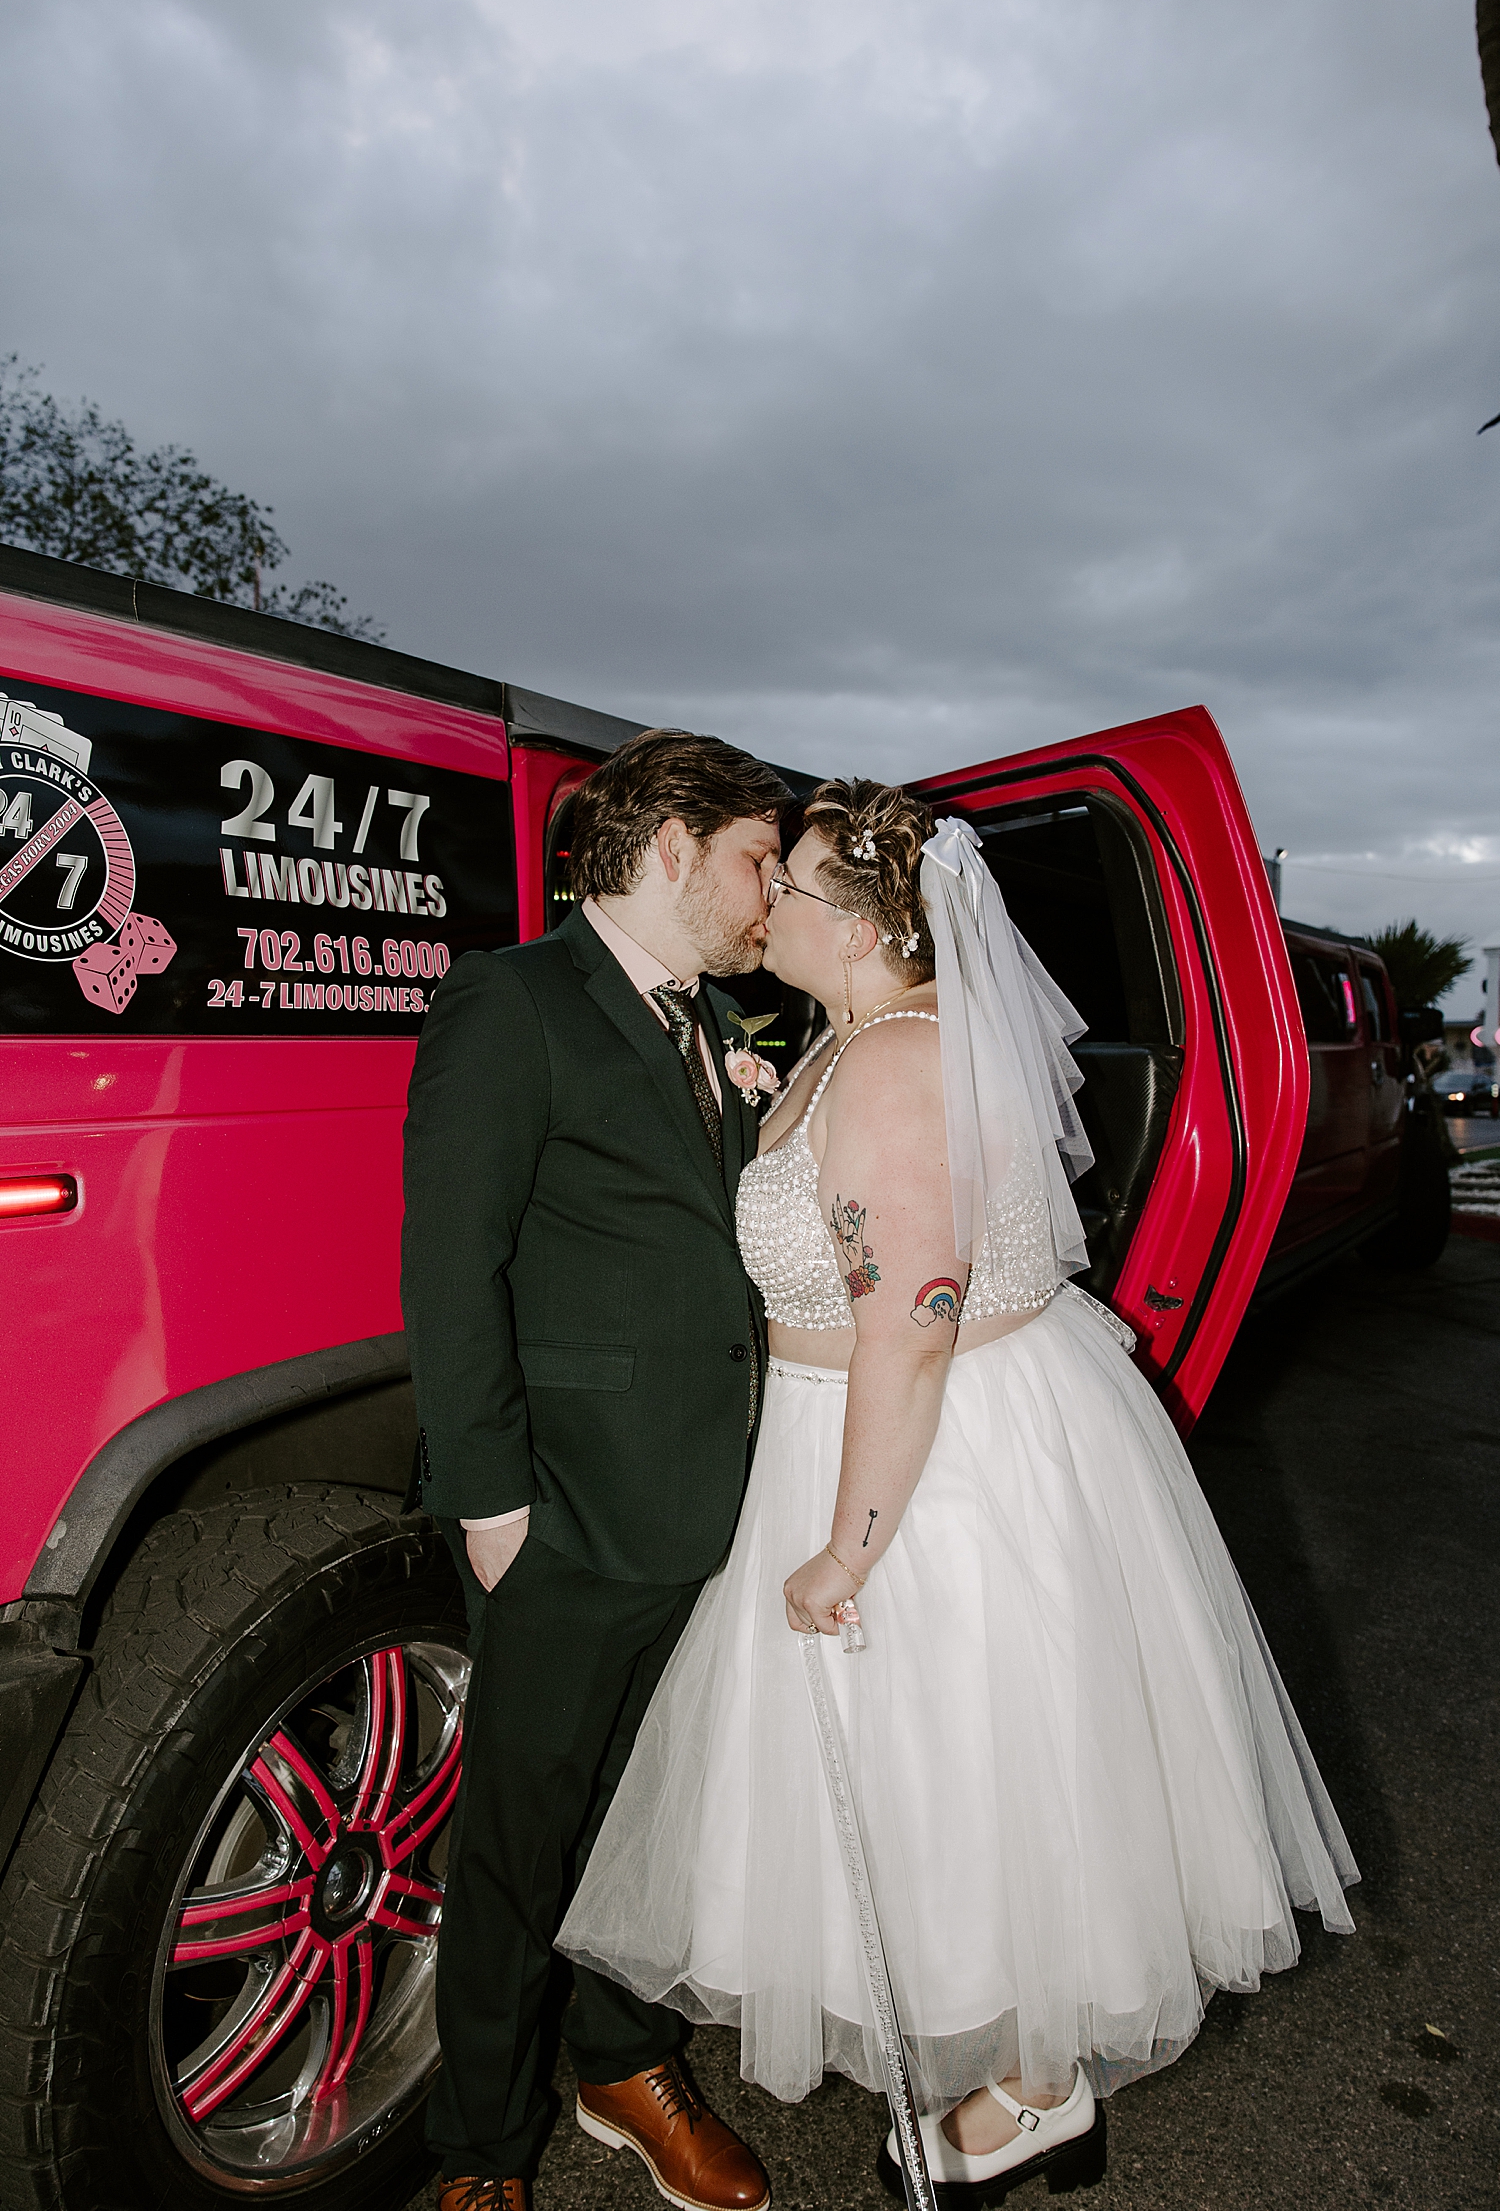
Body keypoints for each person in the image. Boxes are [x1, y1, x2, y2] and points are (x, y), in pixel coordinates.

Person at [558, 778, 1358, 2203]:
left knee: (990, 1761)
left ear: (862, 927)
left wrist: (847, 1550)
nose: (769, 904)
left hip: (933, 1453)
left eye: (791, 885)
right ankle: (1031, 2077)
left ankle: (1042, 2089)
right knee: (926, 1770)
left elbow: (913, 1325)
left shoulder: (895, 1064)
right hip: (858, 1422)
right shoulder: (837, 1040)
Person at [401, 728, 793, 2211]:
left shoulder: (716, 1017)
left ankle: (626, 2060)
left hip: (709, 1510)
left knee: (661, 1816)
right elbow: (453, 1266)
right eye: (757, 857)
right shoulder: (512, 1000)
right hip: (564, 1516)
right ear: (672, 846)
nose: (770, 892)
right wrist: (498, 1512)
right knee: (519, 1844)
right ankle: (481, 2151)